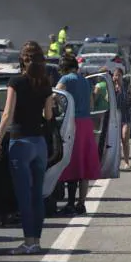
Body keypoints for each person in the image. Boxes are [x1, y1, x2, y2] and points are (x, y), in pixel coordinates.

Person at [0, 41, 54, 255]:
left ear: (22, 59)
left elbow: (7, 114)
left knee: (24, 196)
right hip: (39, 143)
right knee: (38, 195)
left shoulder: (16, 82)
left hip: (20, 142)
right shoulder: (45, 84)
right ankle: (36, 241)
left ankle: (28, 242)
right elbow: (48, 116)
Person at [56, 56, 100, 215]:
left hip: (72, 123)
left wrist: (64, 108)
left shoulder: (66, 79)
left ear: (64, 67)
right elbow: (91, 103)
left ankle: (69, 203)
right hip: (86, 123)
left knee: (71, 162)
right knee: (84, 164)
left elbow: (56, 95)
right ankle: (81, 203)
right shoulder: (85, 81)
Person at [113, 66, 131, 170]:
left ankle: (126, 162)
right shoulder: (111, 87)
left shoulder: (127, 86)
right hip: (114, 117)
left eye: (118, 75)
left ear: (122, 76)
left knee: (125, 138)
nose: (116, 77)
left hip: (125, 115)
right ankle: (115, 163)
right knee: (115, 141)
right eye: (115, 75)